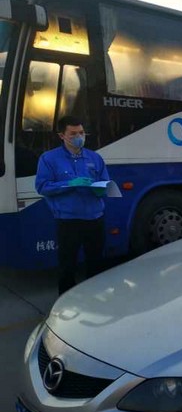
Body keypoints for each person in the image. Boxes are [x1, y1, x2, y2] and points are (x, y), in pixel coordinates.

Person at [35, 115, 110, 295]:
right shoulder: (49, 159)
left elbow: (106, 183)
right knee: (67, 266)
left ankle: (96, 299)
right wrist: (69, 184)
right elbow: (42, 187)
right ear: (62, 136)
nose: (79, 137)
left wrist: (102, 189)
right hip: (68, 221)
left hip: (95, 219)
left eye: (81, 133)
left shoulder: (95, 157)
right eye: (73, 133)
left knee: (96, 263)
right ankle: (66, 302)